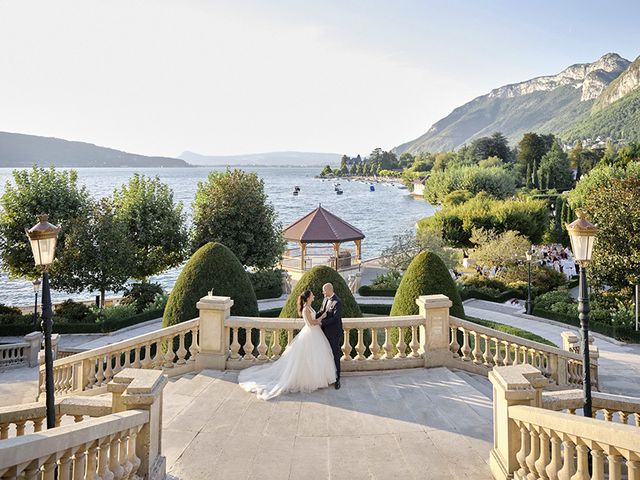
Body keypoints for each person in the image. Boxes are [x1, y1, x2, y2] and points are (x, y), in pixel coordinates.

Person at [238, 289, 336, 400]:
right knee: (307, 358)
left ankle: (318, 379)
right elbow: (310, 323)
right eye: (312, 295)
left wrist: (319, 318)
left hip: (315, 334)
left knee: (316, 357)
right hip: (310, 334)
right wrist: (321, 319)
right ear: (308, 297)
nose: (314, 296)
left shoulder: (309, 307)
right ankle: (307, 381)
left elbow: (313, 320)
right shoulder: (305, 309)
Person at [317, 283, 344, 390]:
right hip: (324, 333)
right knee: (325, 355)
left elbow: (335, 319)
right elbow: (321, 311)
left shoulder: (338, 302)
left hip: (334, 334)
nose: (323, 292)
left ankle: (337, 379)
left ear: (329, 289)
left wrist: (321, 323)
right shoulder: (325, 299)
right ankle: (328, 376)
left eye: (324, 290)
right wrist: (312, 317)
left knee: (335, 355)